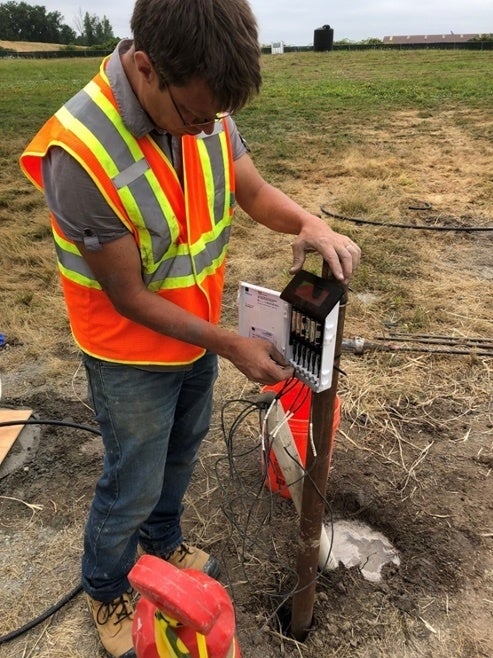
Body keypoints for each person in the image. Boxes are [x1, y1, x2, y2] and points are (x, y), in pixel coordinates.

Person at [20, 1, 361, 655]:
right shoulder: (79, 152)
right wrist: (232, 344)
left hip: (195, 335)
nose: (208, 128)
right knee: (132, 478)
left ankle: (162, 541)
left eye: (217, 117)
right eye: (196, 116)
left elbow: (249, 186)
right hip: (129, 355)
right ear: (146, 69)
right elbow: (128, 297)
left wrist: (306, 223)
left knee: (182, 451)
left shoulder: (203, 102)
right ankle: (107, 586)